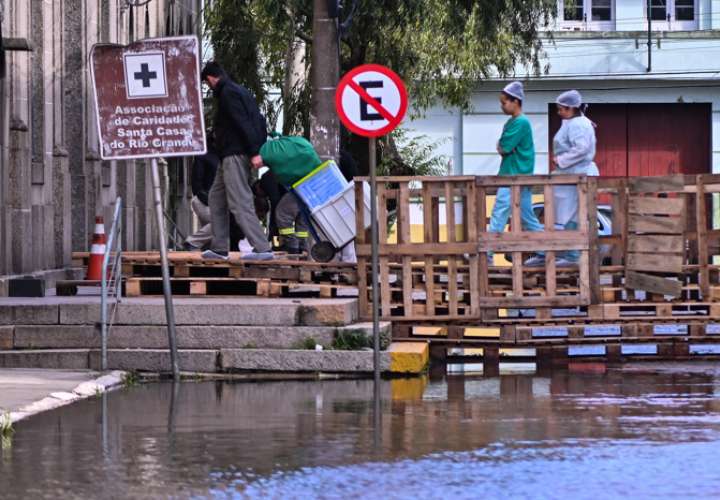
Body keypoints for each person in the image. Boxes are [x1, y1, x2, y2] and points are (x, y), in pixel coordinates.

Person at [199, 61, 273, 261]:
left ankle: (262, 248)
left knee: (240, 202)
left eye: (207, 84)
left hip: (235, 154)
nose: (209, 88)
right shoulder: (240, 91)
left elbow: (243, 123)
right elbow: (258, 120)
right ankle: (219, 247)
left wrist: (254, 152)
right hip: (229, 155)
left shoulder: (228, 94)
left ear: (211, 79)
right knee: (216, 198)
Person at [488, 81, 544, 266]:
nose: (502, 106)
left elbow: (504, 146)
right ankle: (544, 250)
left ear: (515, 101)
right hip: (519, 177)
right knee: (527, 217)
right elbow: (503, 146)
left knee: (499, 213)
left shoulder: (519, 122)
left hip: (513, 177)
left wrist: (501, 146)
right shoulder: (515, 122)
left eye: (504, 103)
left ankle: (486, 253)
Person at [551, 89, 599, 265]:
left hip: (576, 174)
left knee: (573, 214)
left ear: (570, 109)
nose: (559, 112)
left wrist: (561, 160)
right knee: (569, 215)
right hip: (570, 175)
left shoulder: (578, 124)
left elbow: (581, 148)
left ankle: (574, 254)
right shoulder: (574, 123)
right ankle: (570, 253)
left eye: (561, 109)